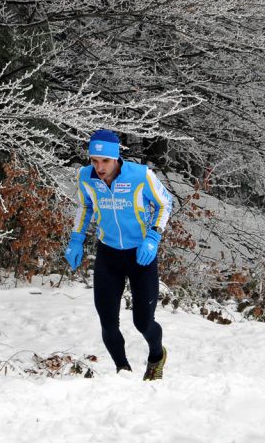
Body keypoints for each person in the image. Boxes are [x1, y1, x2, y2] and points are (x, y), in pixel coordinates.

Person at [64, 129, 174, 380]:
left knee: (143, 322)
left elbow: (165, 203)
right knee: (107, 321)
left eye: (105, 161)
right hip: (108, 255)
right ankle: (122, 370)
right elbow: (85, 206)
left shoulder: (140, 175)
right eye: (94, 160)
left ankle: (157, 356)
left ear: (116, 158)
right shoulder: (85, 177)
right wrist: (76, 239)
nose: (99, 167)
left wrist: (153, 237)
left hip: (140, 256)